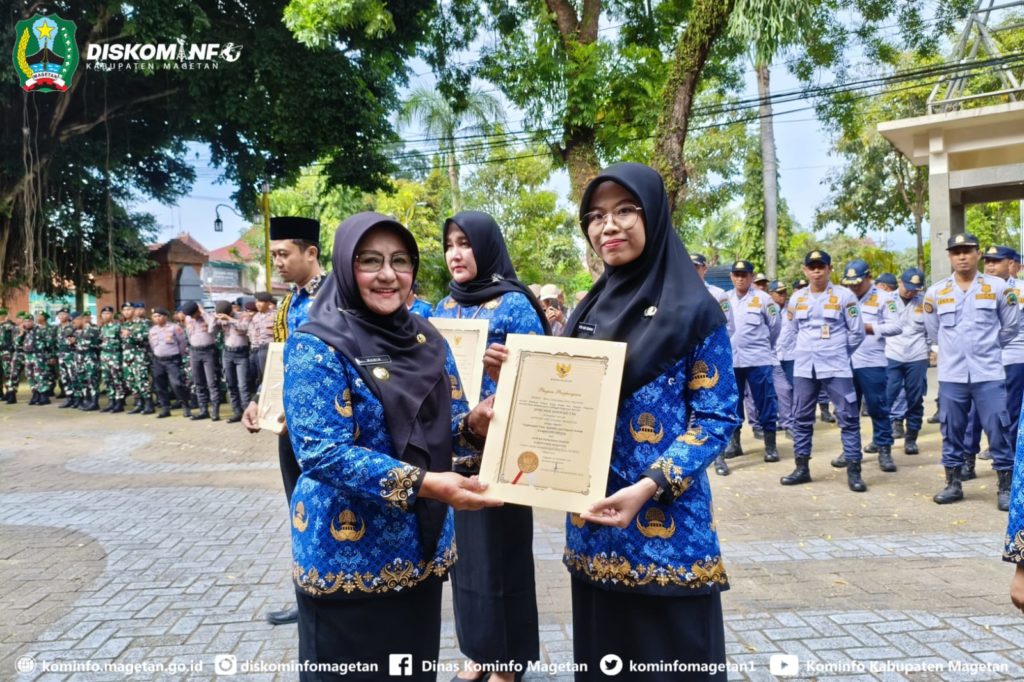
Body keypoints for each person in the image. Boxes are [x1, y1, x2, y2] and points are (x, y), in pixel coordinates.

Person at [489, 163, 738, 680]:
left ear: (655, 217)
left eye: (626, 210)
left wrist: (649, 485)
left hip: (668, 535)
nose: (609, 226)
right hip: (593, 527)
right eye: (596, 216)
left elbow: (716, 418)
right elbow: (563, 397)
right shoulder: (589, 309)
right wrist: (516, 380)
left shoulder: (694, 310)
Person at [284, 212, 500, 680]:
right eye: (370, 261)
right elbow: (321, 452)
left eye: (400, 261)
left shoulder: (426, 338)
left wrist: (475, 425)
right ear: (346, 266)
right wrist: (428, 484)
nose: (388, 274)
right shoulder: (316, 343)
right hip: (346, 557)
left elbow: (443, 428)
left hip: (419, 551)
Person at [433, 210, 548, 682]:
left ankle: (507, 661)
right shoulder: (444, 306)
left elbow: (544, 383)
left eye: (465, 243)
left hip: (503, 455)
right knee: (466, 562)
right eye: (449, 245)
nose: (455, 254)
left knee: (502, 558)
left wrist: (507, 371)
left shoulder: (515, 305)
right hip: (454, 451)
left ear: (486, 246)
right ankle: (479, 651)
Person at [240, 216, 325, 627]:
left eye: (283, 254)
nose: (277, 262)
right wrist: (260, 401)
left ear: (311, 252)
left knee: (327, 511)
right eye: (273, 255)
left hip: (327, 431)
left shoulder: (337, 298)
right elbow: (280, 361)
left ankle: (331, 595)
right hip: (288, 429)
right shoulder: (289, 303)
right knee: (299, 510)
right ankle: (306, 595)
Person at [922, 234, 1018, 508]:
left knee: (998, 428)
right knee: (952, 429)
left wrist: (988, 347)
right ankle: (953, 484)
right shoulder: (936, 292)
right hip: (952, 375)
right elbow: (933, 331)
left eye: (967, 251)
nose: (962, 256)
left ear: (977, 254)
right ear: (950, 257)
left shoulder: (998, 288)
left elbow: (1010, 327)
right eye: (956, 252)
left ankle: (1005, 487)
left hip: (988, 373)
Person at [778, 250, 867, 491]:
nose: (816, 271)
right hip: (805, 367)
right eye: (812, 267)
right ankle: (801, 468)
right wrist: (787, 355)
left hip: (836, 367)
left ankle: (854, 471)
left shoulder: (844, 296)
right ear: (805, 270)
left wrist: (839, 353)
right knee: (801, 418)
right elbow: (790, 330)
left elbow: (857, 332)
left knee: (848, 417)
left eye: (821, 266)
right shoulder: (797, 298)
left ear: (829, 269)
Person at [838, 260, 902, 473]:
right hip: (844, 362)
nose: (854, 287)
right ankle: (850, 451)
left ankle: (884, 449)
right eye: (850, 283)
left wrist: (867, 328)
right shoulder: (841, 297)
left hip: (872, 362)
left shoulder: (884, 298)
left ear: (869, 277)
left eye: (858, 282)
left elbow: (896, 326)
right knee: (848, 410)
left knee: (878, 407)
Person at [721, 259, 781, 470]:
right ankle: (735, 444)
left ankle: (770, 446)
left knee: (765, 401)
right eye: (736, 275)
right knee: (733, 403)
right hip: (732, 360)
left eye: (744, 275)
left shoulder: (764, 299)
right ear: (731, 276)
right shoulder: (724, 298)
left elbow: (775, 327)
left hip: (758, 359)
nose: (740, 278)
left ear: (751, 277)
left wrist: (765, 347)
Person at [885, 268, 929, 456]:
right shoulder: (886, 300)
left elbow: (932, 327)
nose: (911, 292)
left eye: (915, 289)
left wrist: (930, 349)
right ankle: (881, 439)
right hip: (891, 354)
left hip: (917, 356)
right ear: (900, 282)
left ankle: (911, 438)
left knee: (915, 398)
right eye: (908, 288)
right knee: (886, 397)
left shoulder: (925, 301)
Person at [181, 301, 221, 421]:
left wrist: (203, 312)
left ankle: (215, 411)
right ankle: (203, 410)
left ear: (198, 311)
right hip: (194, 352)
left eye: (193, 314)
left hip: (208, 351)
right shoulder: (188, 318)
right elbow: (188, 334)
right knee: (198, 382)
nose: (192, 317)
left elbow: (213, 325)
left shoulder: (208, 316)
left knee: (212, 383)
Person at [148, 307, 191, 418]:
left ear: (166, 317)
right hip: (158, 361)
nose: (157, 318)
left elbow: (182, 343)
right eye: (154, 316)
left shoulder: (174, 327)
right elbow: (152, 345)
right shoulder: (152, 330)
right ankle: (165, 408)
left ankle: (185, 405)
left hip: (172, 360)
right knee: (160, 386)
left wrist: (178, 356)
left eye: (159, 316)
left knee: (177, 384)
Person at [213, 299, 252, 423]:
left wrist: (229, 319)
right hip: (227, 353)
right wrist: (214, 319)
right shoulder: (221, 317)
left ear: (230, 311)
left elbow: (245, 327)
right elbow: (211, 331)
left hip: (241, 354)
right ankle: (237, 412)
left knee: (243, 385)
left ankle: (247, 413)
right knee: (231, 384)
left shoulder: (242, 316)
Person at [769, 280, 795, 440]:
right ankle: (781, 420)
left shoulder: (792, 308)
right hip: (772, 356)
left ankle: (790, 421)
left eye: (784, 292)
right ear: (771, 294)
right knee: (778, 391)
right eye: (779, 293)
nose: (783, 295)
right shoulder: (767, 308)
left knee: (791, 389)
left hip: (790, 355)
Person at [247, 292, 276, 387]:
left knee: (274, 375)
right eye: (257, 302)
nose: (258, 304)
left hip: (273, 348)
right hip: (261, 349)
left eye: (261, 302)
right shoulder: (255, 317)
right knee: (263, 376)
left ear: (268, 303)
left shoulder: (276, 315)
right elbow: (255, 334)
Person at [75, 312, 102, 411]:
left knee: (92, 380)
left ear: (81, 320)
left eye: (75, 322)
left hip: (90, 358)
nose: (74, 324)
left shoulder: (93, 330)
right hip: (80, 358)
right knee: (83, 380)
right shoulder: (79, 331)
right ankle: (87, 400)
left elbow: (99, 344)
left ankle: (94, 403)